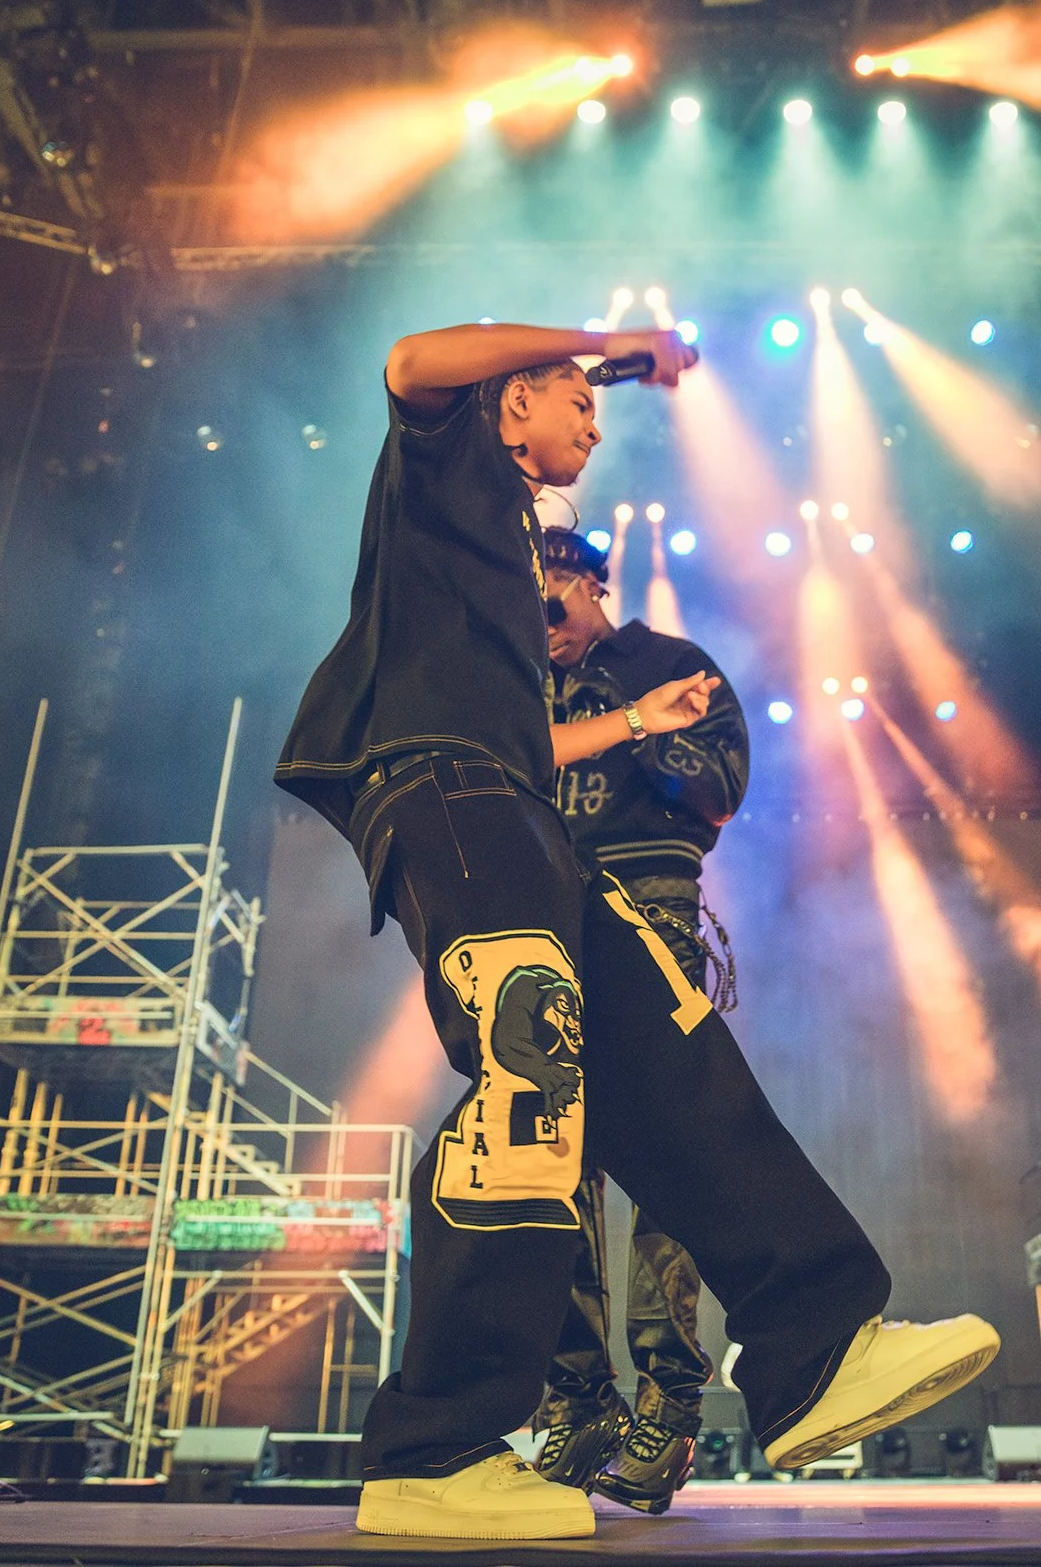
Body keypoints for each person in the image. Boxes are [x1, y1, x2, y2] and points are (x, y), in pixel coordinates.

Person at [275, 322, 999, 1542]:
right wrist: (601, 342)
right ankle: (435, 1448)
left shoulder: (513, 559)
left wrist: (633, 724)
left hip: (513, 801)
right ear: (510, 407)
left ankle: (817, 1346)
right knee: (531, 1064)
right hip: (443, 794)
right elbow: (409, 356)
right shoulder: (447, 463)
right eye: (575, 401)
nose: (595, 421)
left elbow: (527, 741)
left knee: (666, 1054)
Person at [532, 526, 748, 1514]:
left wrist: (636, 724)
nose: (544, 626)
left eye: (551, 602)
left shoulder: (668, 662)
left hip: (650, 911)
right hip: (542, 927)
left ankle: (669, 1402)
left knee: (666, 1158)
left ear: (587, 580)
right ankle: (579, 1404)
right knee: (549, 1162)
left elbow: (721, 788)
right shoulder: (520, 681)